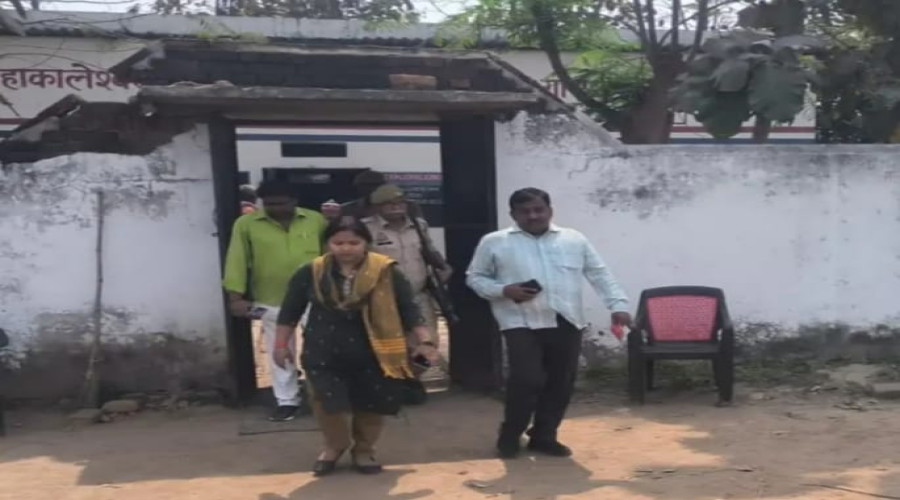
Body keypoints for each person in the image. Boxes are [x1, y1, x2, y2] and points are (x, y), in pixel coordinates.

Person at [466, 187, 632, 459]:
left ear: (550, 210)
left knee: (560, 382)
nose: (533, 216)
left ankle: (544, 435)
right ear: (513, 215)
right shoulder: (494, 242)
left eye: (538, 209)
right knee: (526, 379)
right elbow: (475, 277)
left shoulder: (573, 239)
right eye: (525, 211)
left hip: (566, 320)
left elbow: (599, 274)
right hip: (520, 321)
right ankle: (510, 434)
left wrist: (618, 305)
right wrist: (504, 290)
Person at [273, 219, 439, 476]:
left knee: (371, 402)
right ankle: (334, 446)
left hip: (376, 350)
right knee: (326, 401)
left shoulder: (386, 271)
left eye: (354, 242)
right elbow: (289, 312)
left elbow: (409, 309)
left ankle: (364, 449)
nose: (346, 248)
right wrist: (281, 345)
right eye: (338, 243)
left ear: (366, 243)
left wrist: (425, 342)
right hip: (323, 349)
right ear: (327, 244)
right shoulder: (310, 272)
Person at [222, 180, 327, 422]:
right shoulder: (246, 224)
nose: (276, 209)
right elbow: (237, 259)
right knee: (278, 350)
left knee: (320, 348)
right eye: (269, 204)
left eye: (281, 203)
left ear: (294, 201)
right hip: (271, 298)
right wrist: (235, 296)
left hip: (315, 296)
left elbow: (329, 255)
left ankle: (322, 397)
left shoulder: (315, 220)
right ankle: (287, 400)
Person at [361, 184, 451, 400]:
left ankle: (411, 379)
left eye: (400, 203)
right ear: (377, 207)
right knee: (389, 345)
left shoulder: (419, 225)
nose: (396, 207)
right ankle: (394, 385)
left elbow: (429, 251)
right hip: (384, 299)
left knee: (428, 344)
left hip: (419, 295)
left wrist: (444, 269)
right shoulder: (366, 228)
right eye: (389, 204)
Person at [322, 169, 423, 222]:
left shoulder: (408, 206)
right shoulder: (348, 209)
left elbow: (420, 230)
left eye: (374, 186)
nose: (370, 189)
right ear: (358, 188)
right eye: (365, 186)